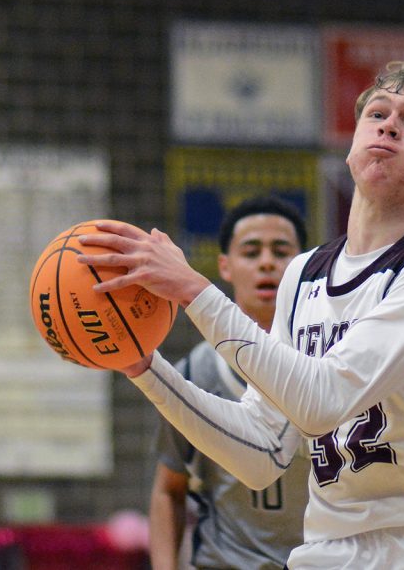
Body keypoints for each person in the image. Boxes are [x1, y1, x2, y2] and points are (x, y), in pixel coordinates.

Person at [78, 55, 404, 569]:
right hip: (328, 547)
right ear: (351, 145)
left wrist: (193, 288)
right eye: (377, 114)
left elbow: (324, 400)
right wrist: (143, 366)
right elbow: (261, 452)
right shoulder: (302, 273)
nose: (389, 124)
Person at [148, 195, 309, 570]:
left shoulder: (326, 361)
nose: (267, 262)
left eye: (281, 251)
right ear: (225, 265)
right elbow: (168, 490)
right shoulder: (193, 372)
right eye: (251, 252)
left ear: (303, 265)